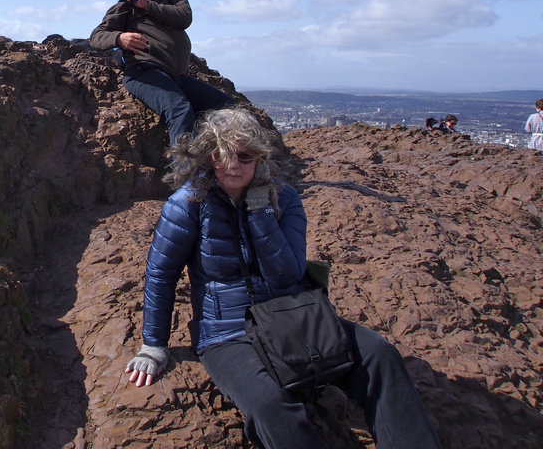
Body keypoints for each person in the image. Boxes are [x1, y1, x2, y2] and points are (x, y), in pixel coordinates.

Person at [124, 108, 442, 449]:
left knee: (379, 355)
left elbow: (287, 273)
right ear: (207, 155)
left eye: (244, 156)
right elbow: (162, 273)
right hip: (227, 332)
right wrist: (154, 345)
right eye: (221, 154)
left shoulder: (284, 198)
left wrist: (260, 213)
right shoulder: (188, 203)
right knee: (268, 405)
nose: (232, 165)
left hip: (291, 315)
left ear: (260, 157)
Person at [89, 0, 232, 143]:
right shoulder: (126, 5)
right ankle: (185, 172)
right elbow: (96, 36)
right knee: (180, 111)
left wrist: (148, 6)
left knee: (227, 106)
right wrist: (119, 38)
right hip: (143, 72)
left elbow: (184, 17)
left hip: (175, 76)